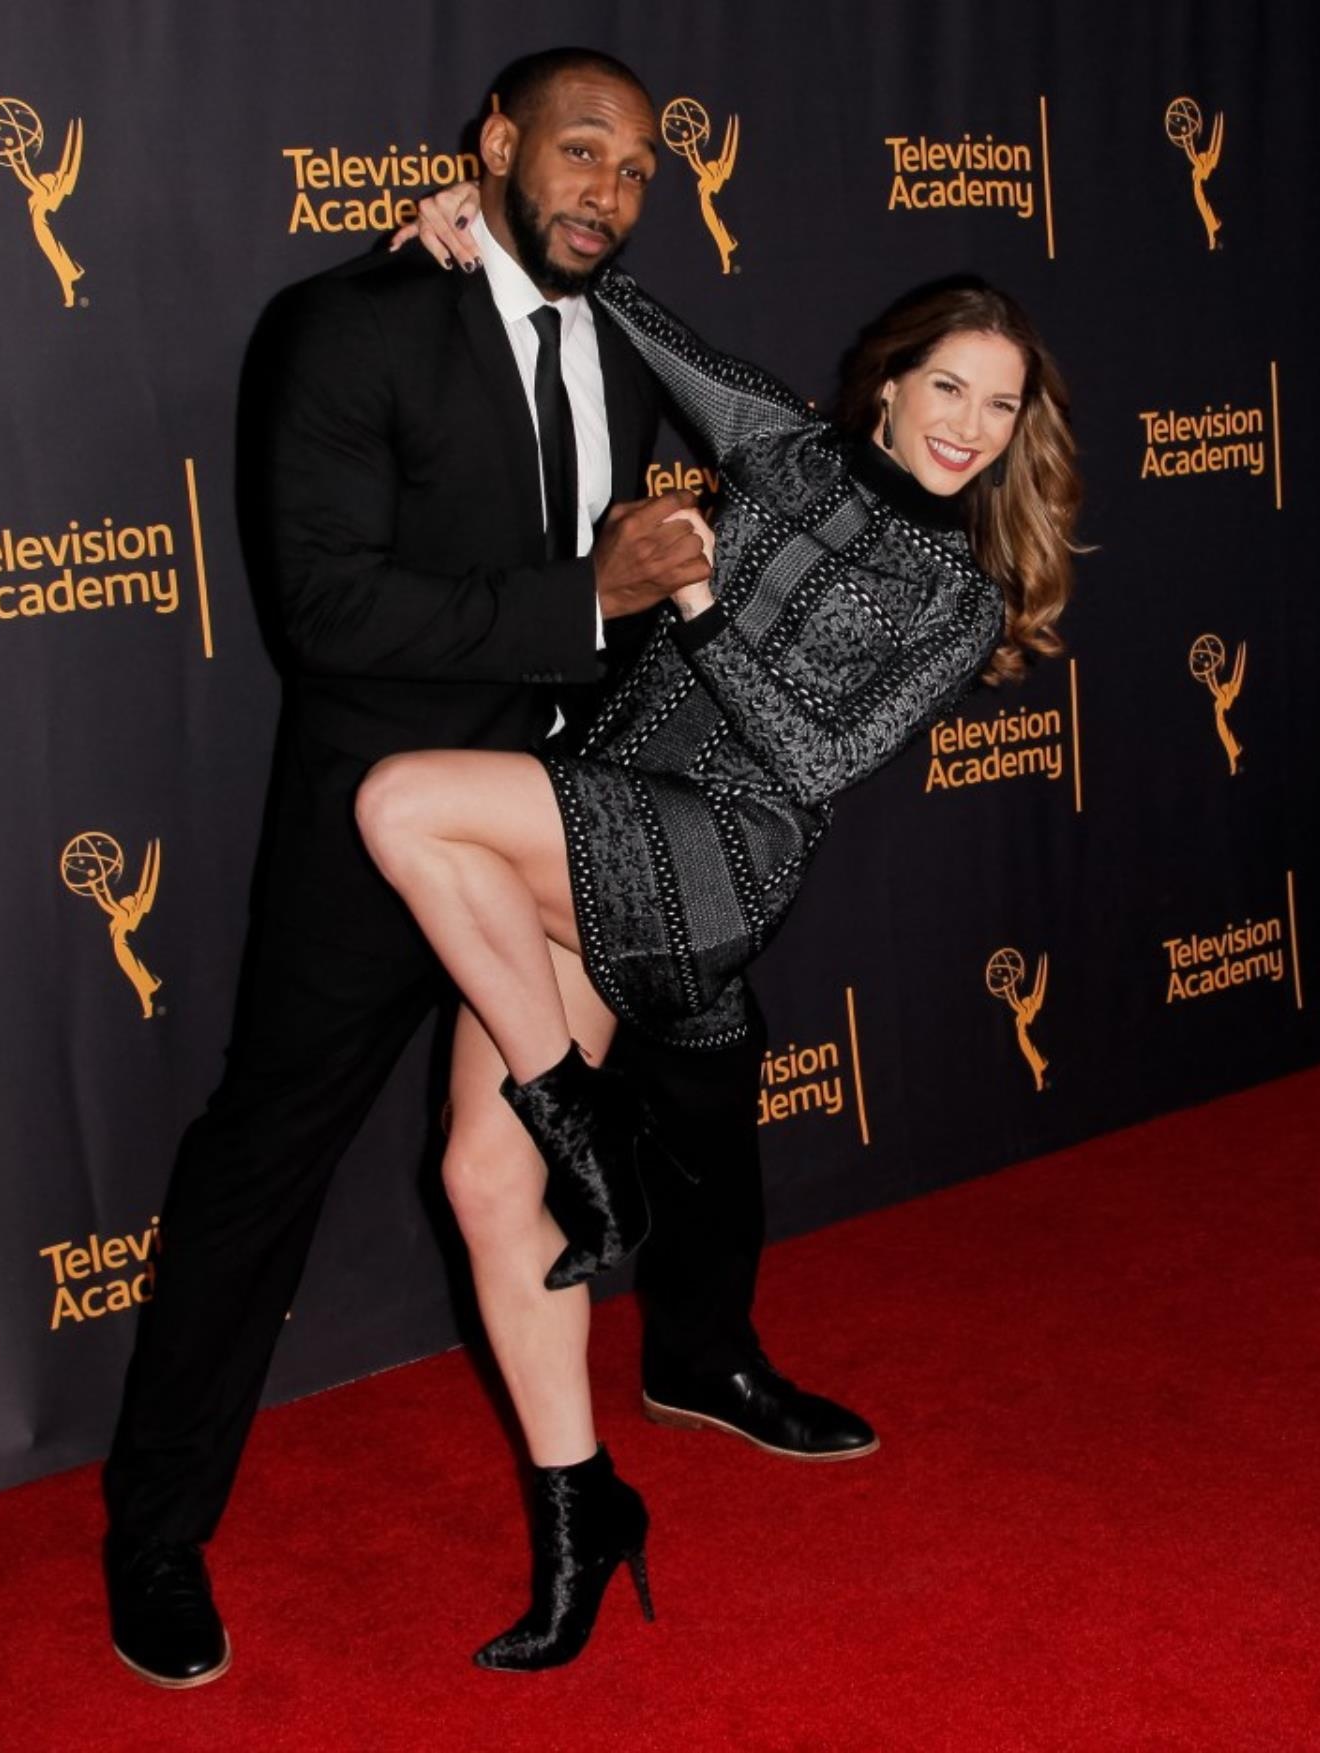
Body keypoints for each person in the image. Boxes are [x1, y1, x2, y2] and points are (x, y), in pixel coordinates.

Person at [99, 47, 874, 1690]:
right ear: (496, 144)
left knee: (696, 1079)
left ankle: (704, 1360)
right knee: (264, 1158)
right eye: (579, 150)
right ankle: (156, 1534)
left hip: (585, 810)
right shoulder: (351, 324)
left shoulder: (642, 339)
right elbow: (326, 613)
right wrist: (586, 597)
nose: (609, 187)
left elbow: (809, 466)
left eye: (641, 167)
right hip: (382, 824)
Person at [357, 185, 1082, 1666]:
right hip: (591, 822)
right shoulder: (772, 442)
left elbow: (807, 760)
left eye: (1000, 407)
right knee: (484, 1185)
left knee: (404, 802)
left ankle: (576, 1111)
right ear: (888, 381)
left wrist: (693, 607)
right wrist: (481, 228)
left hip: (714, 862)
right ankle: (582, 1510)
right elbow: (627, 305)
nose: (968, 424)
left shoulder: (955, 590)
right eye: (949, 383)